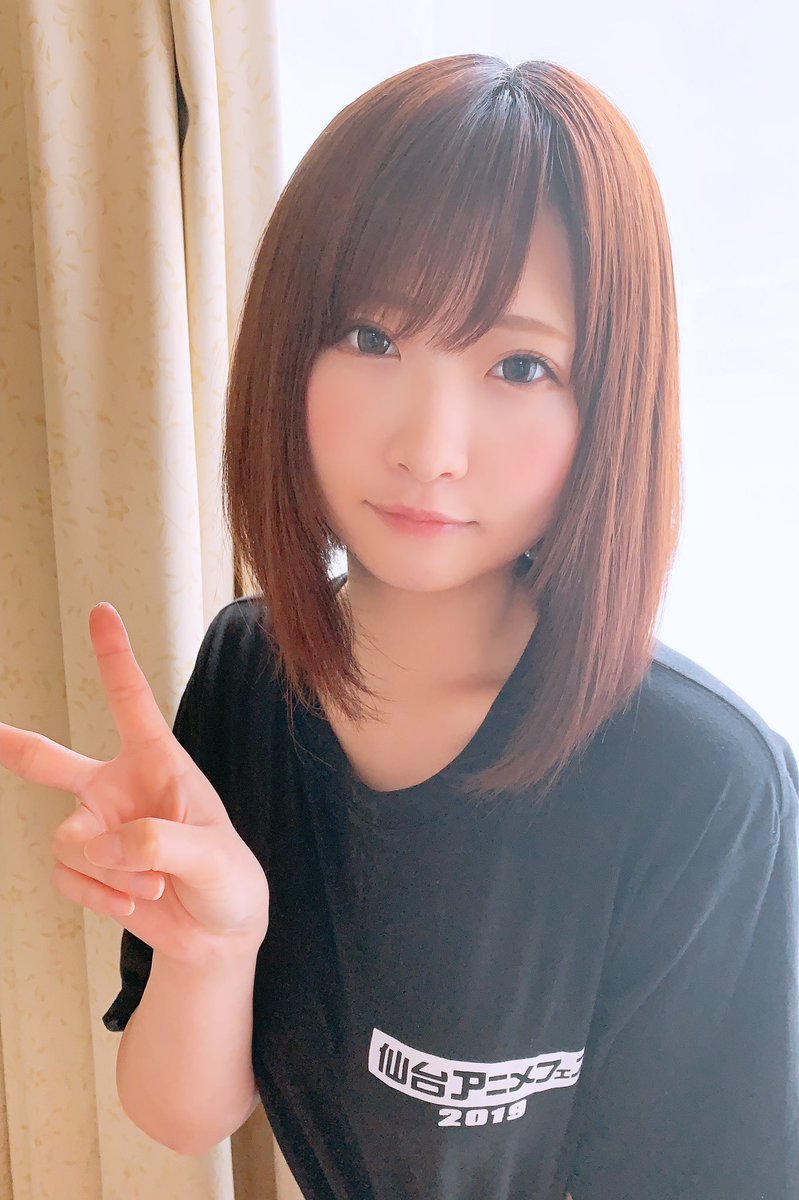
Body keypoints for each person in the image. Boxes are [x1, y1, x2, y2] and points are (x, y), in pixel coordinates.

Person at [1, 54, 796, 1199]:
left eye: (519, 364)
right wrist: (213, 949)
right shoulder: (249, 671)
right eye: (372, 339)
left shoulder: (702, 781)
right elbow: (182, 1116)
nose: (428, 446)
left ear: (612, 401)